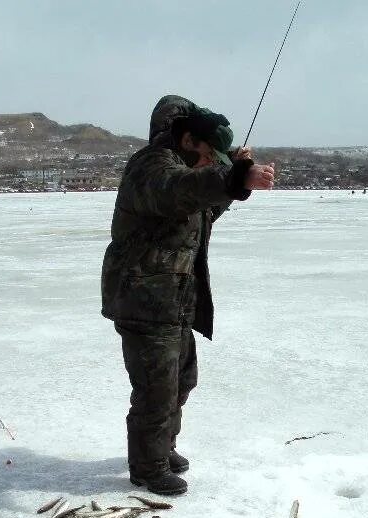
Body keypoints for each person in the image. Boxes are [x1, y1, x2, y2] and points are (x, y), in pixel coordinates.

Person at [100, 95, 276, 495]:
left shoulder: (185, 169)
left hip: (173, 298)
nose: (210, 160)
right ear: (185, 139)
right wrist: (232, 176)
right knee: (157, 390)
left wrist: (230, 176)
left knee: (182, 380)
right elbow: (178, 190)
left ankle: (161, 446)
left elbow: (202, 208)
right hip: (144, 297)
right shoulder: (151, 166)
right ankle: (148, 467)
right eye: (206, 151)